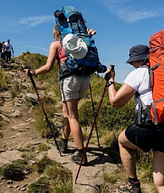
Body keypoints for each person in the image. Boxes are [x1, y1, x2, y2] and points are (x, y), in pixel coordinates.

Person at [105, 45, 164, 193]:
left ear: (138, 60)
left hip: (150, 127)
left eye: (132, 62)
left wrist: (110, 82)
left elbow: (116, 102)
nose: (132, 65)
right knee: (162, 183)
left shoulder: (140, 72)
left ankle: (133, 184)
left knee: (123, 142)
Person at [24, 25, 104, 165]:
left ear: (57, 32)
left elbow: (49, 67)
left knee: (73, 116)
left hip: (69, 80)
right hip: (85, 80)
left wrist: (34, 72)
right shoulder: (80, 41)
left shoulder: (57, 44)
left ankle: (81, 153)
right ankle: (63, 142)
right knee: (66, 112)